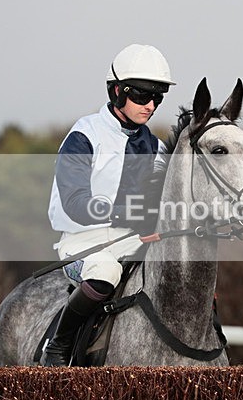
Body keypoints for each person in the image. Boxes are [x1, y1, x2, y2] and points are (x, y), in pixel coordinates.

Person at [41, 44, 175, 366]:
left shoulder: (155, 148)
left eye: (158, 97)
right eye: (142, 96)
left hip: (128, 239)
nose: (151, 105)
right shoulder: (84, 134)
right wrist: (125, 212)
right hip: (81, 243)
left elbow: (158, 207)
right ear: (117, 91)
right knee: (105, 273)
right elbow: (75, 203)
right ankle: (57, 347)